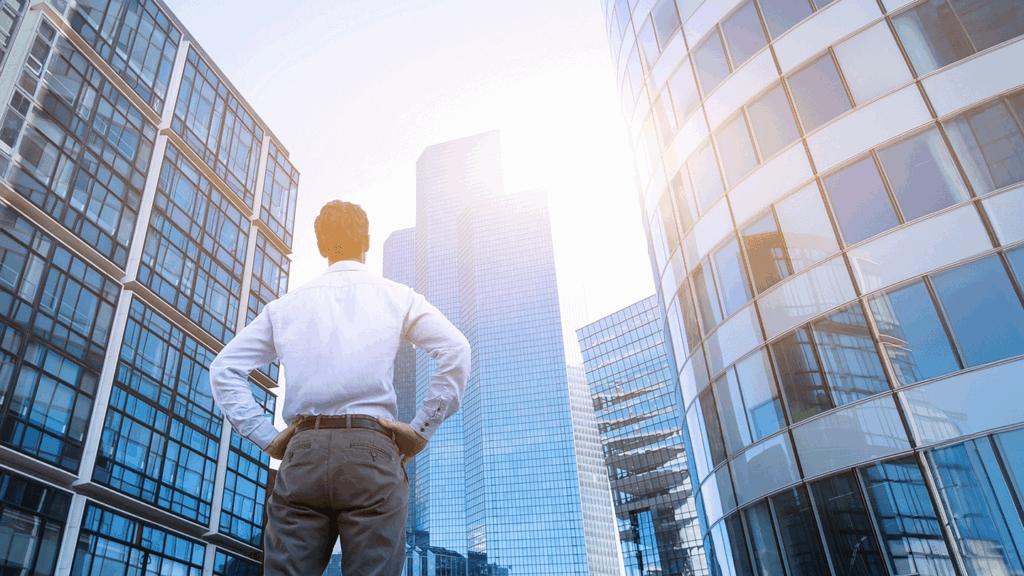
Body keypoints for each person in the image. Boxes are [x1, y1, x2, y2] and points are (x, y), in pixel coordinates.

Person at [209, 200, 470, 576]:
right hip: (372, 451)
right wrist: (420, 431)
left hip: (304, 452)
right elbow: (455, 349)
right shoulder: (397, 296)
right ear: (365, 243)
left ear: (320, 247)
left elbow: (224, 369)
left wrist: (267, 437)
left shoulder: (284, 308)